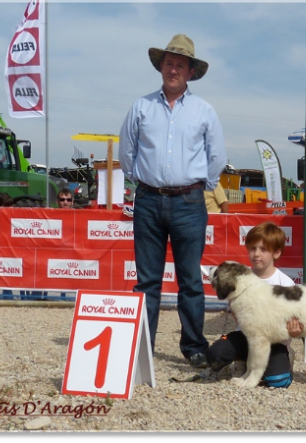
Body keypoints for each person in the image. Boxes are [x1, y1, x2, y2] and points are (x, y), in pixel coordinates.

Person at [118, 34, 227, 368]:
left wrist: (199, 186)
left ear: (191, 72)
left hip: (189, 203)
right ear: (160, 67)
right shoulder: (141, 107)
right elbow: (126, 152)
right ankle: (142, 350)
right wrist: (142, 181)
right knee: (146, 281)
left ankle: (194, 346)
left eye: (180, 64)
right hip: (148, 202)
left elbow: (217, 157)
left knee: (190, 280)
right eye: (169, 63)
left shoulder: (204, 111)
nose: (174, 69)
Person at [205, 222, 304, 388]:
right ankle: (244, 360)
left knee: (279, 381)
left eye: (263, 250)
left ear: (277, 252)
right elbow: (238, 317)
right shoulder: (239, 279)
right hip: (246, 336)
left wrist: (295, 331)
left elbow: (296, 322)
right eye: (253, 248)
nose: (256, 254)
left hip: (275, 341)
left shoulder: (286, 283)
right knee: (214, 355)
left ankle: (283, 358)